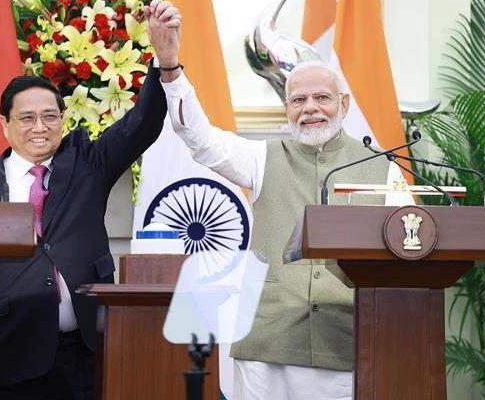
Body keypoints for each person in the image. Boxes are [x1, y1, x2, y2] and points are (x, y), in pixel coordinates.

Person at [0, 0, 182, 400]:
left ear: (62, 118)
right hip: (6, 359)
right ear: (4, 125)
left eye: (51, 116)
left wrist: (165, 59)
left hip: (87, 353)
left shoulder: (88, 162)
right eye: (26, 118)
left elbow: (143, 123)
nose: (40, 127)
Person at [156, 23, 409, 399]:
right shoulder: (263, 158)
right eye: (298, 100)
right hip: (268, 345)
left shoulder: (382, 168)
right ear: (287, 109)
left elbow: (409, 252)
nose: (310, 108)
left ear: (344, 104)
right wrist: (171, 67)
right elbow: (202, 139)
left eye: (321, 98)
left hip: (344, 344)